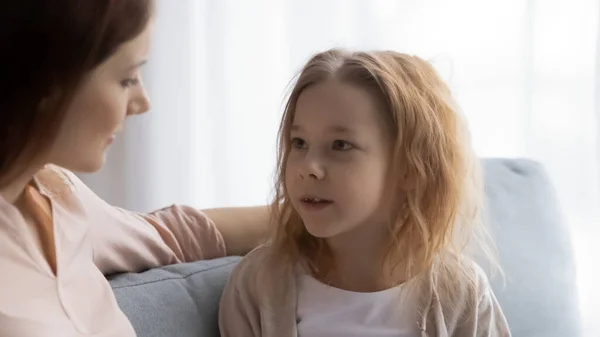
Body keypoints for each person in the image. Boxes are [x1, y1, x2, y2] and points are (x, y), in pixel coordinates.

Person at [0, 1, 270, 336]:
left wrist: (328, 215)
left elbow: (173, 235)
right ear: (48, 82)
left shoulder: (57, 196)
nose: (143, 102)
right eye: (127, 79)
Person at [218, 49, 511, 336]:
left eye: (340, 145)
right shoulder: (258, 285)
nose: (308, 167)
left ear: (410, 168)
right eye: (299, 142)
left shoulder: (460, 293)